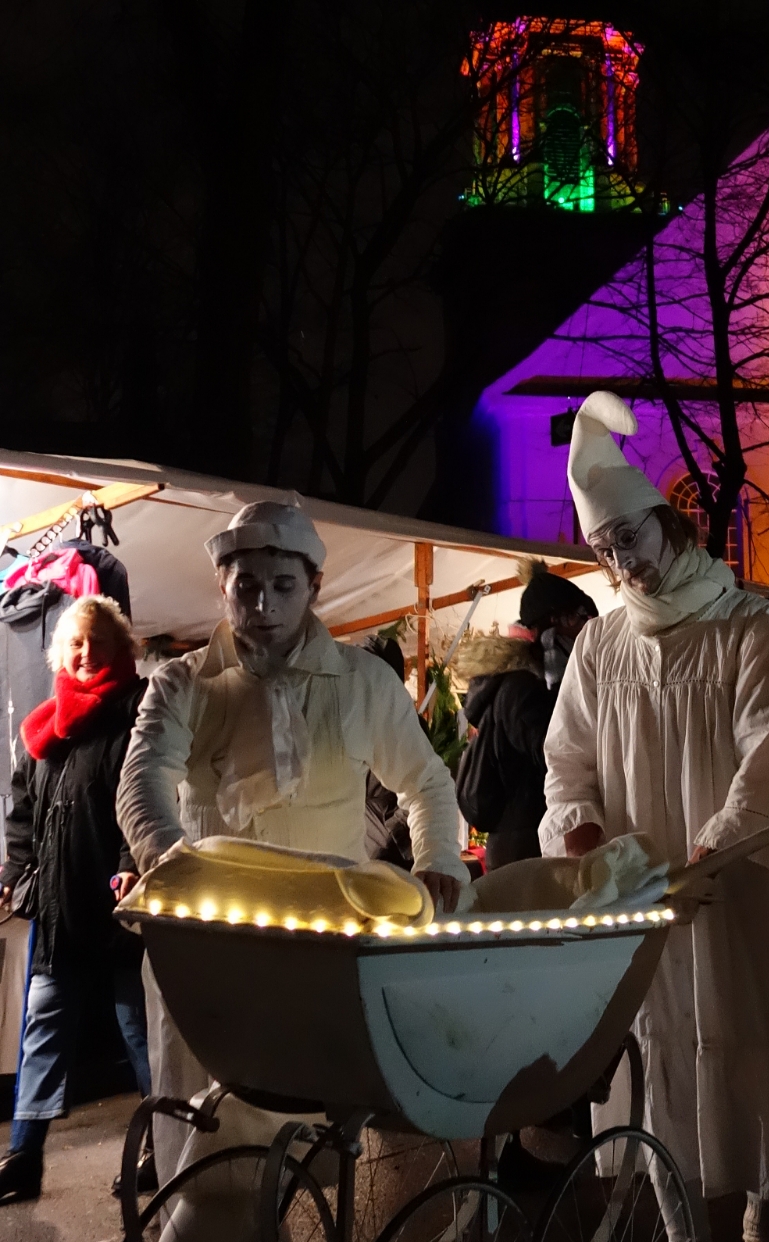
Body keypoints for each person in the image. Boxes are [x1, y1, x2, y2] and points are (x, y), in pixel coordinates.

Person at [535, 393, 769, 1234]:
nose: (623, 565)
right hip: (645, 890)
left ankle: (754, 1207)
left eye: (630, 541)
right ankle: (683, 1222)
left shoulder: (753, 629)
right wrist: (591, 843)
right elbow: (566, 759)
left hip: (736, 881)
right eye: (605, 552)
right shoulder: (600, 645)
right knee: (658, 1040)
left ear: (669, 525)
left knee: (747, 1020)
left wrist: (706, 856)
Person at [115, 499, 469, 1234]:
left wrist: (438, 861)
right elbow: (142, 780)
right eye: (247, 586)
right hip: (208, 946)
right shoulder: (183, 683)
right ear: (223, 588)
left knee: (305, 1139)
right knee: (205, 1144)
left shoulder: (362, 683)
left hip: (319, 951)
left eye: (283, 585)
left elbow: (427, 782)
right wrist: (174, 865)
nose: (264, 604)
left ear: (312, 587)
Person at [0, 596, 148, 1205]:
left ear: (121, 651)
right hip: (59, 913)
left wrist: (131, 865)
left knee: (142, 1035)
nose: (86, 653)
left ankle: (164, 1149)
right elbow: (23, 813)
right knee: (43, 1033)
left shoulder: (136, 717)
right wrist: (14, 869)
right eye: (77, 643)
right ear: (62, 652)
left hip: (118, 913)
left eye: (99, 643)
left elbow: (144, 799)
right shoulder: (45, 728)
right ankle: (23, 1158)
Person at [454, 562, 597, 869]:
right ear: (553, 624)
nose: (586, 631)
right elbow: (555, 753)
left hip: (525, 838)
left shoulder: (526, 686)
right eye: (580, 619)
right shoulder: (522, 688)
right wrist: (565, 687)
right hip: (522, 845)